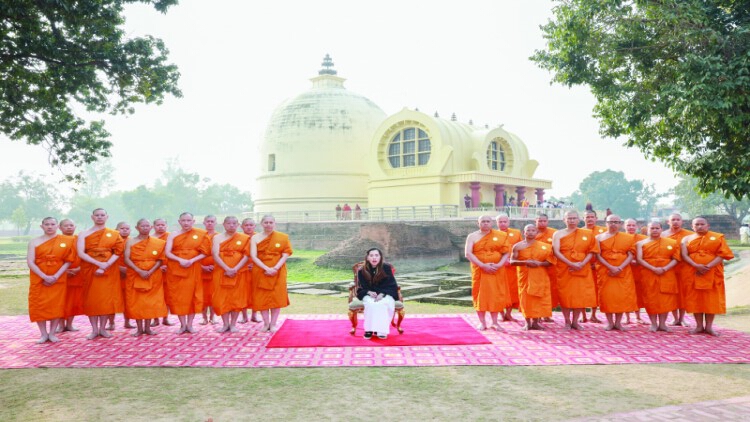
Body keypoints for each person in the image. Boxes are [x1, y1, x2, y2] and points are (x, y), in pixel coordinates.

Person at [681, 217, 734, 336]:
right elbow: (684, 255)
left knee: (711, 300)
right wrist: (696, 265)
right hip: (693, 272)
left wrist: (708, 266)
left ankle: (709, 327)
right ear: (692, 226)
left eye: (702, 224)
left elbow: (722, 254)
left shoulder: (717, 237)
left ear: (707, 225)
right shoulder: (686, 239)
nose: (699, 226)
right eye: (697, 224)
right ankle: (699, 326)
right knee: (696, 299)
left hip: (712, 272)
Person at [77, 208, 124, 340]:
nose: (99, 217)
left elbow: (118, 251)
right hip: (90, 268)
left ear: (107, 217)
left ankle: (103, 328)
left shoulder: (114, 233)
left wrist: (106, 265)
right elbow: (81, 253)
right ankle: (94, 329)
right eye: (97, 215)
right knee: (92, 299)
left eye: (102, 215)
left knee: (105, 299)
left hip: (109, 269)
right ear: (92, 217)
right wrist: (98, 264)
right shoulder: (83, 234)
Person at [27, 217, 74, 343]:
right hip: (39, 278)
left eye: (52, 224)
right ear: (41, 226)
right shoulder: (34, 242)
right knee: (38, 305)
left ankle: (52, 333)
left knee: (56, 305)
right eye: (46, 224)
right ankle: (43, 334)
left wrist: (56, 276)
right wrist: (44, 276)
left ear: (57, 226)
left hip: (58, 278)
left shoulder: (66, 241)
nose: (49, 226)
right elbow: (30, 262)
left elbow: (68, 261)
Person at [165, 212, 211, 334]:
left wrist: (192, 260)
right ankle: (182, 325)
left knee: (192, 295)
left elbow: (205, 252)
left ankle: (190, 325)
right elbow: (168, 252)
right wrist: (180, 259)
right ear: (179, 222)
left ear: (193, 221)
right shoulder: (173, 235)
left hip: (193, 268)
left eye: (188, 220)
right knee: (179, 297)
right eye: (183, 220)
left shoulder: (200, 234)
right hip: (176, 268)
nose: (186, 223)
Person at [552, 211, 599, 330]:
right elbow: (556, 251)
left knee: (580, 295)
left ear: (579, 220)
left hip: (582, 268)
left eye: (574, 218)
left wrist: (582, 263)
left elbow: (592, 251)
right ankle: (567, 321)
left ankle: (575, 321)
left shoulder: (587, 233)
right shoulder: (558, 234)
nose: (572, 221)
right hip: (564, 268)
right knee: (565, 295)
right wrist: (570, 263)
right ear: (564, 220)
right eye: (569, 218)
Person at [464, 215, 511, 331]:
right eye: (483, 221)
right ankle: (482, 322)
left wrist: (499, 264)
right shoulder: (472, 236)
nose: (485, 223)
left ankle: (495, 322)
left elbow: (506, 252)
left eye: (488, 221)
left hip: (496, 270)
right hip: (480, 270)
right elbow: (468, 254)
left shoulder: (500, 235)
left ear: (492, 223)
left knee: (495, 295)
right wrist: (482, 265)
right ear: (478, 223)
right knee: (480, 295)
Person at [123, 219, 168, 337]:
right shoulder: (130, 242)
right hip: (135, 273)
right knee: (137, 301)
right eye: (142, 226)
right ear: (137, 228)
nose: (145, 228)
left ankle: (148, 328)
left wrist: (150, 271)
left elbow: (160, 259)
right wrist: (138, 270)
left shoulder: (158, 242)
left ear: (151, 227)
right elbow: (127, 259)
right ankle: (139, 328)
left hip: (153, 275)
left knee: (150, 302)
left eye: (147, 226)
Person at [595, 215, 638, 331]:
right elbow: (597, 255)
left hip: (623, 270)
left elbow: (631, 254)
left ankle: (618, 323)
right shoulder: (598, 238)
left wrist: (620, 267)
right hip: (605, 270)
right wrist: (610, 267)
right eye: (611, 222)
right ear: (606, 223)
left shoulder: (627, 237)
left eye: (616, 222)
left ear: (620, 224)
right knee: (607, 296)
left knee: (621, 297)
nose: (613, 224)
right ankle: (609, 323)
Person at [250, 215, 292, 333]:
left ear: (275, 223)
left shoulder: (282, 237)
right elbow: (253, 255)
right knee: (262, 297)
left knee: (276, 297)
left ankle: (273, 324)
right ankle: (266, 323)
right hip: (260, 270)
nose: (268, 225)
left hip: (278, 271)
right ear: (261, 223)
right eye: (266, 222)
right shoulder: (255, 238)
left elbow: (286, 253)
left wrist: (275, 268)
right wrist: (266, 268)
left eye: (270, 222)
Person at [636, 222, 680, 332]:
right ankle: (654, 324)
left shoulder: (672, 242)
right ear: (647, 229)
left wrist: (665, 268)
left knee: (665, 299)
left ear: (661, 229)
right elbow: (640, 259)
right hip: (648, 273)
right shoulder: (640, 244)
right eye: (652, 228)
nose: (654, 230)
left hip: (667, 273)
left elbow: (676, 258)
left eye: (657, 228)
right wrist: (653, 268)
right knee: (650, 298)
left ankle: (663, 324)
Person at [211, 216, 251, 333]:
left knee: (236, 298)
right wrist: (226, 268)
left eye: (234, 223)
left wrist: (236, 269)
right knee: (222, 297)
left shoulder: (244, 238)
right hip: (221, 271)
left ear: (238, 225)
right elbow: (215, 254)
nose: (231, 225)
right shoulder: (217, 237)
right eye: (228, 223)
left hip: (239, 272)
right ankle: (225, 324)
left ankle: (233, 324)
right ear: (223, 224)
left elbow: (246, 255)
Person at [510, 224, 553, 331]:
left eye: (533, 230)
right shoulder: (517, 246)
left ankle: (536, 322)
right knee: (526, 299)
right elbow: (512, 262)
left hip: (540, 276)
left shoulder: (544, 246)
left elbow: (550, 262)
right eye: (528, 230)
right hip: (525, 276)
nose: (530, 232)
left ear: (536, 232)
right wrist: (525, 262)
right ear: (524, 232)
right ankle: (527, 322)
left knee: (538, 298)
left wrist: (540, 264)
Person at [356, 248, 399, 339]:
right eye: (371, 255)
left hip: (385, 293)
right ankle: (369, 330)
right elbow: (361, 287)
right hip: (368, 294)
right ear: (367, 258)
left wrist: (382, 294)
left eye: (376, 255)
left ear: (380, 257)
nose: (374, 258)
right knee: (371, 304)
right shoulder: (361, 270)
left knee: (383, 304)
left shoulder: (386, 268)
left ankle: (381, 331)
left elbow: (391, 284)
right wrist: (368, 292)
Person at [662, 213, 694, 326]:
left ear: (682, 222)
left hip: (684, 267)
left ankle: (682, 318)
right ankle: (675, 318)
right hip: (668, 267)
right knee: (672, 293)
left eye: (678, 220)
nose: (675, 222)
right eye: (673, 220)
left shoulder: (690, 235)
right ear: (668, 222)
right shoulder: (663, 235)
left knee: (683, 293)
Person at [495, 214, 521, 321]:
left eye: (504, 221)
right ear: (497, 223)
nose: (502, 224)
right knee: (499, 291)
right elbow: (491, 251)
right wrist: (501, 261)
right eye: (500, 222)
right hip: (499, 267)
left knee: (512, 291)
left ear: (508, 222)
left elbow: (520, 248)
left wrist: (514, 260)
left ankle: (509, 314)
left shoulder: (516, 233)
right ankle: (501, 314)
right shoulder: (493, 235)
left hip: (513, 267)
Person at [59, 219, 83, 332]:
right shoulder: (56, 240)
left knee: (72, 301)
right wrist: (63, 271)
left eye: (71, 225)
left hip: (77, 274)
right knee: (60, 301)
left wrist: (79, 268)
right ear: (60, 227)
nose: (69, 227)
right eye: (66, 225)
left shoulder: (80, 240)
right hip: (59, 274)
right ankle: (60, 325)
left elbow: (85, 255)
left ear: (75, 227)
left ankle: (69, 324)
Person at [583, 210, 607, 323]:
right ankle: (583, 315)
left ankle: (593, 315)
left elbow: (605, 250)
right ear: (584, 219)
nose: (590, 219)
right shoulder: (579, 232)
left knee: (597, 290)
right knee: (582, 290)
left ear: (596, 218)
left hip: (599, 265)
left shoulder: (603, 231)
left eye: (592, 217)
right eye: (587, 217)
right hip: (583, 265)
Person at [624, 218, 648, 324]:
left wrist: (639, 260)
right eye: (628, 225)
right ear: (624, 226)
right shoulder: (621, 238)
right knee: (626, 293)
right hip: (625, 268)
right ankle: (627, 317)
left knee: (638, 293)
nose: (631, 227)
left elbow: (648, 252)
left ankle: (638, 317)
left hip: (639, 269)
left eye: (633, 225)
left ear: (637, 226)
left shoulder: (644, 238)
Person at [535, 213, 558, 321]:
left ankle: (547, 314)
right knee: (537, 290)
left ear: (547, 221)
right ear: (536, 221)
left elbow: (556, 249)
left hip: (550, 265)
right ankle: (537, 314)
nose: (542, 223)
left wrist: (548, 261)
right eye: (539, 220)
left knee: (550, 290)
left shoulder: (553, 233)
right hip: (535, 266)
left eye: (544, 221)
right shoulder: (531, 232)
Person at [151, 218, 173, 327]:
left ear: (166, 226)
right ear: (154, 226)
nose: (161, 227)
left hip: (170, 269)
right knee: (155, 295)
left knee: (167, 296)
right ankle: (155, 319)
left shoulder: (171, 237)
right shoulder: (150, 239)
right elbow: (148, 256)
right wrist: (157, 267)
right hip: (155, 269)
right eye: (158, 225)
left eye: (163, 225)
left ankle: (166, 318)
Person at [112, 221, 133, 330]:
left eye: (127, 228)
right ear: (116, 229)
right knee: (112, 299)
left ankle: (127, 321)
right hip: (113, 273)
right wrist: (119, 269)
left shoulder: (133, 241)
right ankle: (111, 323)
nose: (125, 230)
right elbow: (108, 258)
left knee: (127, 299)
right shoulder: (111, 241)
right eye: (122, 228)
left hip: (129, 273)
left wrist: (129, 270)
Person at [239, 218, 260, 324]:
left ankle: (254, 315)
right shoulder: (238, 238)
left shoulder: (259, 238)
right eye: (246, 225)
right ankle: (244, 316)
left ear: (254, 226)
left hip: (256, 269)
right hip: (242, 269)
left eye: (251, 225)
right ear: (241, 227)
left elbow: (262, 254)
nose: (248, 227)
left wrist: (256, 265)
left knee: (255, 292)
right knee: (243, 293)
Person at [200, 215, 218, 325]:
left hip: (216, 270)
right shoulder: (200, 236)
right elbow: (195, 253)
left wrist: (216, 266)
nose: (210, 223)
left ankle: (212, 317)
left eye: (212, 221)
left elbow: (222, 254)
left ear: (216, 223)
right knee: (203, 295)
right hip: (201, 269)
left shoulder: (219, 236)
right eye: (208, 221)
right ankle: (204, 318)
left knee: (213, 295)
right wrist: (202, 267)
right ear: (204, 223)